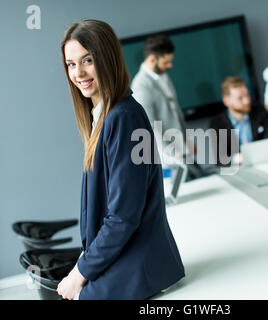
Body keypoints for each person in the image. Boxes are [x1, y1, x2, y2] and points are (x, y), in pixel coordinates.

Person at [57, 20, 184, 300]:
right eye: (71, 64)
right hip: (128, 257)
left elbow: (123, 216)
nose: (78, 73)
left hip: (140, 264)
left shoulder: (123, 117)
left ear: (107, 59)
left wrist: (80, 273)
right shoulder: (101, 116)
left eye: (87, 60)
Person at [131, 34, 205, 179]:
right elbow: (151, 127)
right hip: (171, 158)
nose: (170, 66)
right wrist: (172, 155)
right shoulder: (141, 87)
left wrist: (187, 139)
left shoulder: (163, 75)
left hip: (182, 148)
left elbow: (176, 111)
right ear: (152, 59)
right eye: (166, 62)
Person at [209, 76, 268, 166]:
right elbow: (219, 159)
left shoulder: (260, 112)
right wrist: (238, 158)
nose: (247, 101)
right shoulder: (217, 123)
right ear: (226, 102)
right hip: (236, 169)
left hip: (265, 163)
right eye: (240, 98)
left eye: (247, 95)